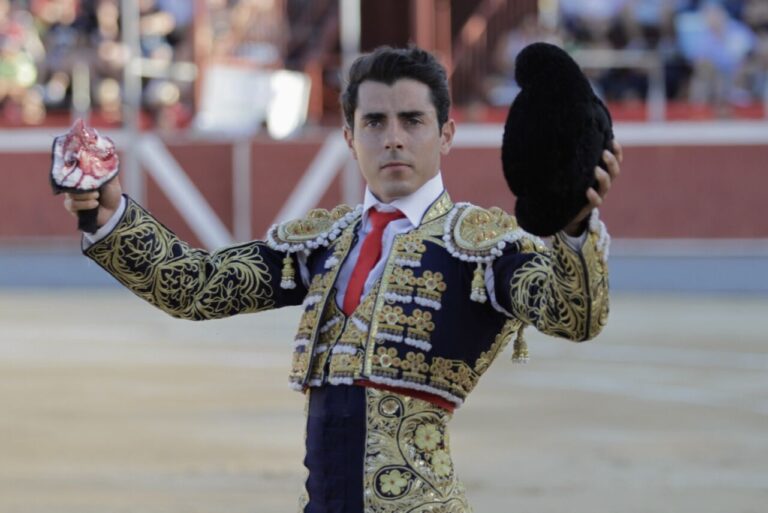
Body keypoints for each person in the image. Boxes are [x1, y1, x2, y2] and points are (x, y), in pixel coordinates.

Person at [62, 46, 622, 513]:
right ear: (351, 137)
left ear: (445, 135)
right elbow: (199, 288)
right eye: (374, 122)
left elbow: (572, 315)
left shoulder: (482, 246)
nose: (393, 138)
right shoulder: (324, 241)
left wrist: (572, 228)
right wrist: (108, 216)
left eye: (413, 120)